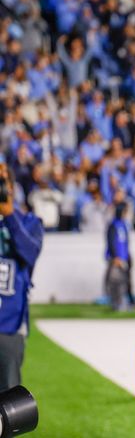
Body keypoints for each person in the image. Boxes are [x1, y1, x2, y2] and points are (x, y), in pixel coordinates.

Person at [0, 163, 44, 391]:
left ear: (11, 188)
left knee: (7, 402)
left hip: (10, 324)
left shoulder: (29, 223)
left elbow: (30, 252)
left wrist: (9, 216)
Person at [105, 203, 131, 311]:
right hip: (116, 259)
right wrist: (115, 257)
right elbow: (111, 241)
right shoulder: (113, 225)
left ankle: (122, 302)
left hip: (123, 258)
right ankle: (115, 304)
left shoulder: (124, 225)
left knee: (123, 282)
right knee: (115, 282)